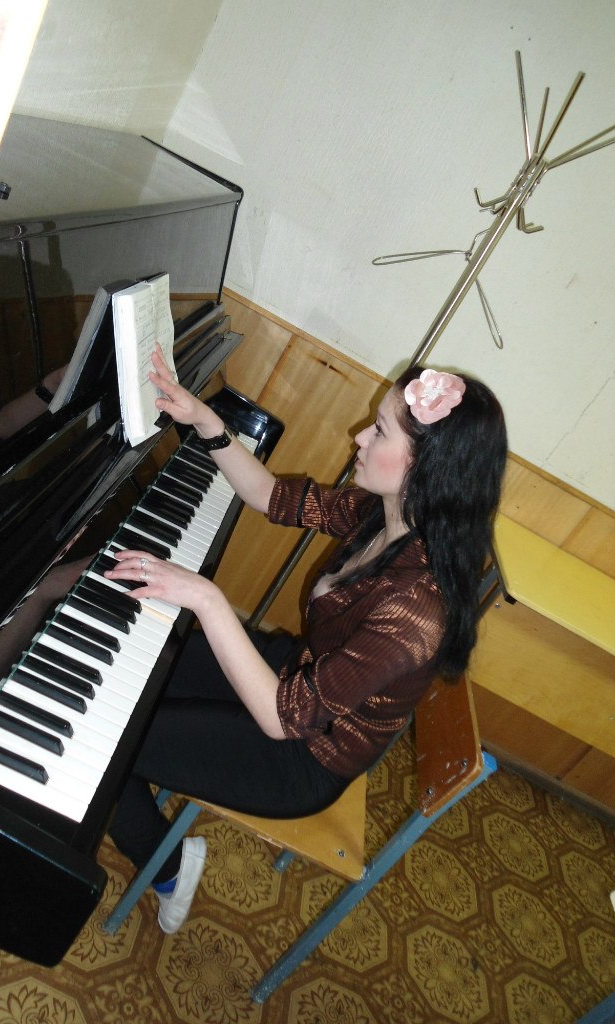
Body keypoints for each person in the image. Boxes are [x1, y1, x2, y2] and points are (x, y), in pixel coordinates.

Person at [104, 347, 507, 933]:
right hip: (297, 675)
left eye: (380, 430)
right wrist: (205, 421)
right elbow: (272, 496)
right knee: (136, 656)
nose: (359, 436)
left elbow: (281, 719)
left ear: (427, 468)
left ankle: (165, 869)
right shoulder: (388, 514)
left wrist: (207, 598)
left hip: (302, 756)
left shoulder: (416, 612)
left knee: (113, 738)